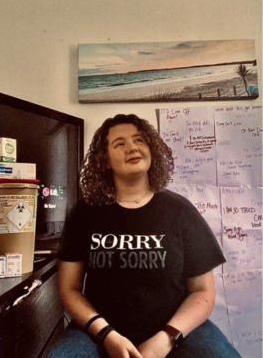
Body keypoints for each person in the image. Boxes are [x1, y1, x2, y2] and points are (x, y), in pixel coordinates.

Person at [47, 114, 241, 358]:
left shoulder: (181, 211)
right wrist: (106, 333)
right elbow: (70, 288)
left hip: (174, 329)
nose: (132, 147)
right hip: (99, 330)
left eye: (139, 140)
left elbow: (202, 290)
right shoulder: (84, 213)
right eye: (120, 143)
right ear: (105, 160)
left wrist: (167, 338)